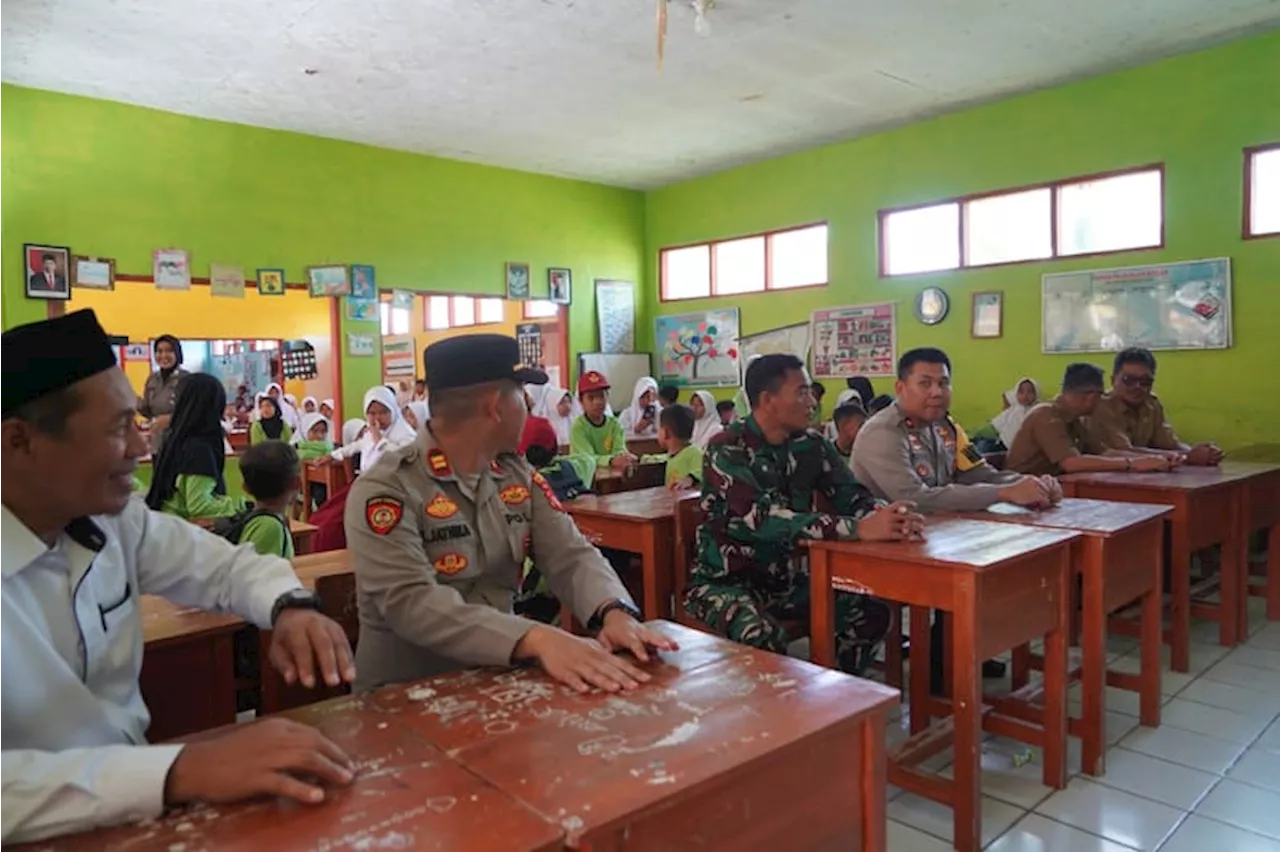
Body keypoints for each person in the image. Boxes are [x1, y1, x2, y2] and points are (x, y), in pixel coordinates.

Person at [0, 310, 357, 845]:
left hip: (138, 816)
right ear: (18, 441)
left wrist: (290, 605)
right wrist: (178, 771)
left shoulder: (114, 520)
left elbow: (222, 565)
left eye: (137, 426)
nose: (141, 451)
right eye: (116, 430)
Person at [345, 333, 676, 693]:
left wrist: (613, 611)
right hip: (404, 701)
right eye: (522, 394)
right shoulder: (387, 489)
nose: (528, 407)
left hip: (500, 682)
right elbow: (413, 604)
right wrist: (538, 638)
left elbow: (569, 553)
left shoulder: (515, 475)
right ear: (494, 406)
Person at [685, 354, 924, 675]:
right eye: (802, 392)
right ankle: (778, 718)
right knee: (761, 635)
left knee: (871, 610)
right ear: (768, 400)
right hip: (724, 583)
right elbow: (761, 521)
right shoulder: (727, 447)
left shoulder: (811, 444)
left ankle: (836, 696)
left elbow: (851, 495)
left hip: (783, 582)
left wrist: (888, 517)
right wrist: (859, 529)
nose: (812, 401)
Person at [854, 349, 1059, 512]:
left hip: (940, 531)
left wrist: (1030, 483)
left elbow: (978, 472)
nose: (936, 392)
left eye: (943, 383)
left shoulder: (947, 427)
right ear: (900, 388)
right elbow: (915, 498)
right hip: (887, 544)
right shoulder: (883, 432)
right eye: (925, 383)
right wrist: (1003, 493)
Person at [1006, 363, 1174, 476]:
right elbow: (1070, 463)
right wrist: (1132, 464)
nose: (1102, 401)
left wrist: (1160, 457)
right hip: (1022, 493)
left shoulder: (1075, 419)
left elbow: (1105, 452)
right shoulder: (1045, 415)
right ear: (1090, 397)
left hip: (1052, 487)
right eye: (1101, 395)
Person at [1092, 347, 1223, 466]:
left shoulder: (1152, 403)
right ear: (1113, 380)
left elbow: (1170, 445)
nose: (1137, 387)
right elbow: (1124, 451)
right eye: (1129, 380)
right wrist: (1187, 457)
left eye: (1145, 381)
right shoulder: (1101, 405)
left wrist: (1200, 453)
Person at [145, 373, 247, 519]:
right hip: (182, 531)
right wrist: (241, 506)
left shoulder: (177, 437)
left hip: (167, 524)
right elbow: (199, 506)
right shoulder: (199, 448)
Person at [331, 386, 417, 475]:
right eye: (372, 413)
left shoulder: (405, 434)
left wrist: (380, 441)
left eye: (383, 412)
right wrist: (333, 455)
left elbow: (406, 458)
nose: (377, 418)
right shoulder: (372, 431)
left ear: (393, 411)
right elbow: (359, 445)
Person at [570, 371, 634, 471]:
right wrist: (611, 460)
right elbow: (587, 458)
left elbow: (619, 450)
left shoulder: (615, 425)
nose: (598, 402)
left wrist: (623, 458)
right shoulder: (578, 427)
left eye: (601, 396)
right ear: (581, 401)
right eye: (591, 398)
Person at [137, 334, 188, 452]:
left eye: (169, 351)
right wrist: (130, 399)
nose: (163, 355)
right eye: (159, 351)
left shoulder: (187, 379)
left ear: (177, 353)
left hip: (181, 444)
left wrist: (170, 419)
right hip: (158, 445)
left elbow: (193, 413)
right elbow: (148, 411)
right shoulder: (152, 379)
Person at [658, 404, 703, 490]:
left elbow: (702, 470)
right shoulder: (673, 454)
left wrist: (690, 479)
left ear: (665, 432)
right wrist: (641, 459)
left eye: (659, 428)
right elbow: (661, 458)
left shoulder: (695, 452)